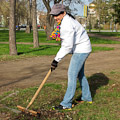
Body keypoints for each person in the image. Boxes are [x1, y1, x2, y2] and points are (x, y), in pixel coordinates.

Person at [50, 3, 92, 110]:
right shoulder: (66, 20)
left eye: (57, 15)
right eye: (53, 15)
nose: (55, 17)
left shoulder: (67, 23)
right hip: (82, 48)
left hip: (81, 50)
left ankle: (66, 104)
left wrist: (56, 60)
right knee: (80, 74)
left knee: (72, 75)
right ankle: (87, 97)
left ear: (63, 13)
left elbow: (67, 46)